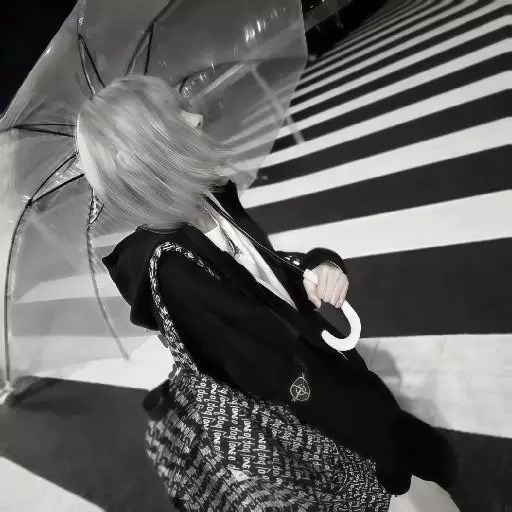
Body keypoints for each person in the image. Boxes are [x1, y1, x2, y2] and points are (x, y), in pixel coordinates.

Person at [75, 74, 459, 510]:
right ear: (141, 157)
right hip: (311, 408)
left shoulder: (208, 200)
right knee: (397, 471)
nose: (196, 118)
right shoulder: (173, 269)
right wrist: (377, 432)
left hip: (322, 367)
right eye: (175, 116)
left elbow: (266, 269)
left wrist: (318, 265)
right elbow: (271, 371)